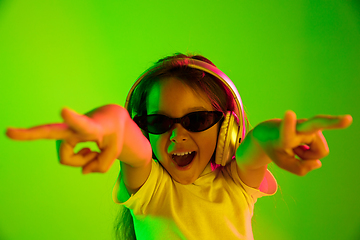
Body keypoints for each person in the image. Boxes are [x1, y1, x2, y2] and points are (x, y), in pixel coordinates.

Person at [6, 53, 353, 240]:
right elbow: (127, 136)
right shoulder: (150, 189)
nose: (177, 136)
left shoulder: (236, 186)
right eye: (159, 123)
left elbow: (260, 140)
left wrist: (279, 138)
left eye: (197, 120)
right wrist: (105, 122)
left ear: (229, 129)